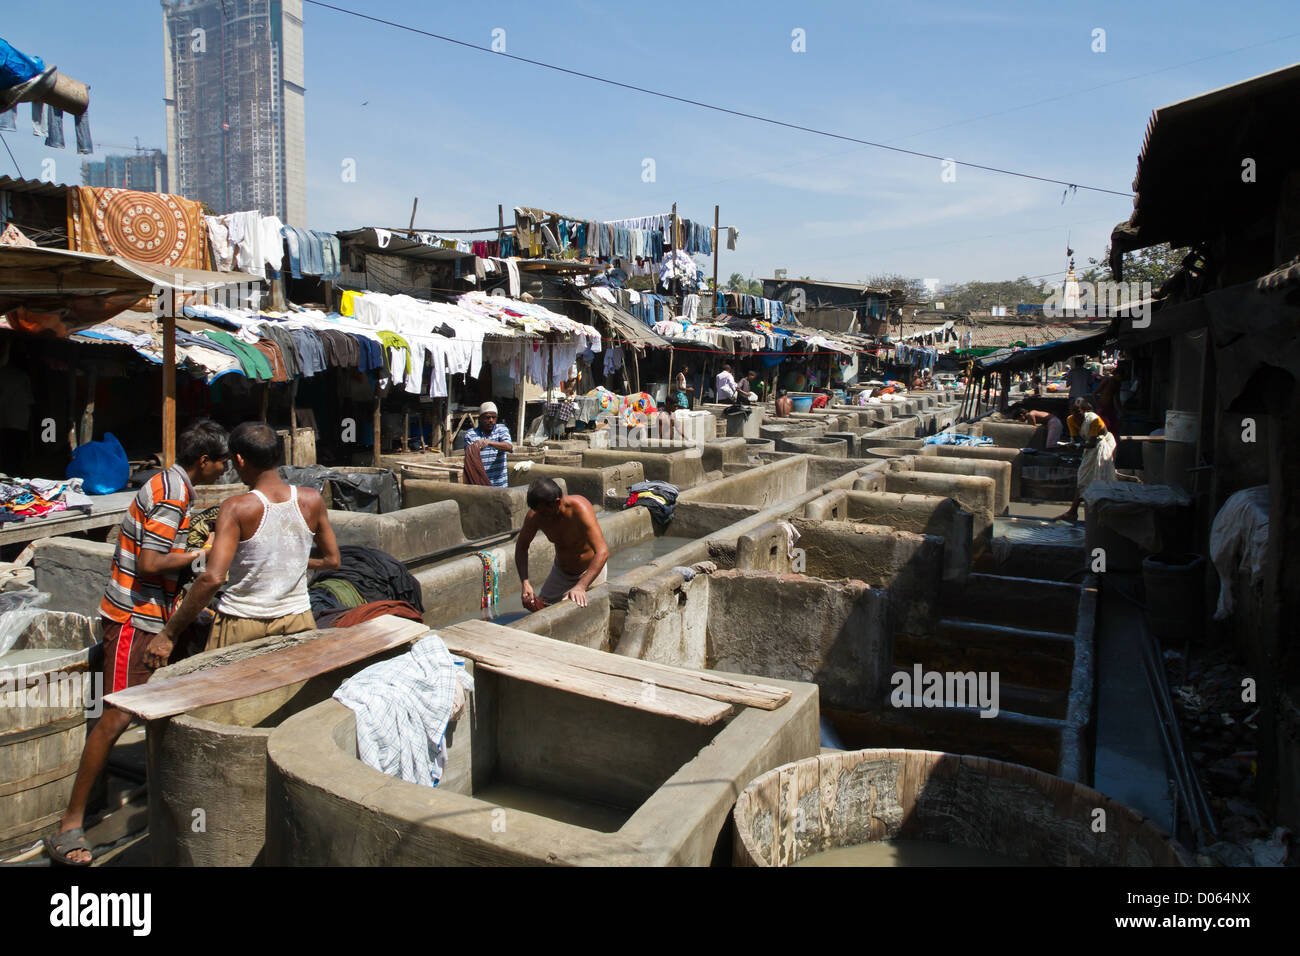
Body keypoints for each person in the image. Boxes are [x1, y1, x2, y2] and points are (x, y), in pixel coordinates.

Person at [45, 420, 230, 866]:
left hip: (145, 612)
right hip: (135, 617)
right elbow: (150, 562)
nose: (226, 468)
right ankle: (71, 824)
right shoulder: (172, 493)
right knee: (116, 714)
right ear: (203, 461)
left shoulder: (170, 482)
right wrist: (200, 557)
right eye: (223, 461)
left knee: (138, 708)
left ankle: (102, 795)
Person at [155, 421, 340, 651]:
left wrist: (169, 633)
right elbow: (332, 560)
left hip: (242, 623)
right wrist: (290, 560)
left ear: (239, 460)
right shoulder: (311, 499)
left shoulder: (236, 508)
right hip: (298, 618)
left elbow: (212, 578)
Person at [516, 478, 610, 610]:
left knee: (584, 610)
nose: (541, 516)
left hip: (590, 571)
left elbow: (603, 552)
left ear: (557, 502)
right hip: (562, 572)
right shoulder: (535, 515)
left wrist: (581, 586)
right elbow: (521, 547)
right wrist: (525, 583)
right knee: (538, 609)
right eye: (538, 512)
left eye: (543, 512)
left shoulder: (580, 509)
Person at [1059, 398, 1117, 522]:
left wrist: (1078, 446)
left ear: (1084, 411)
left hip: (1103, 444)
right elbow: (1075, 439)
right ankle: (1074, 511)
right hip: (1090, 446)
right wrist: (1071, 444)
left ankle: (1080, 512)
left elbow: (1092, 443)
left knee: (1097, 476)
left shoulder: (1093, 419)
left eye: (1078, 412)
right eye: (1073, 411)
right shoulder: (1070, 420)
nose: (1076, 415)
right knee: (1084, 477)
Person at [465, 402, 513, 488]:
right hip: (480, 485)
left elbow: (509, 447)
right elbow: (469, 460)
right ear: (480, 418)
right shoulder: (471, 434)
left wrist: (489, 442)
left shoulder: (501, 429)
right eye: (487, 417)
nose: (491, 420)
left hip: (500, 485)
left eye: (493, 417)